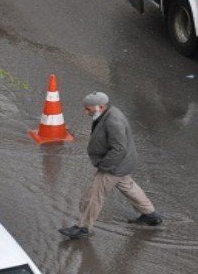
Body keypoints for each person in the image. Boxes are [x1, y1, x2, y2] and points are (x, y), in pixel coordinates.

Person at [58, 92, 162, 239]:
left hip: (113, 166)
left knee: (95, 196)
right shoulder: (108, 113)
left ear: (100, 106)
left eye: (88, 109)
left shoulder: (113, 120)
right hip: (123, 163)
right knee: (128, 186)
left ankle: (82, 228)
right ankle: (151, 215)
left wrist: (105, 166)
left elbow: (119, 148)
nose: (86, 112)